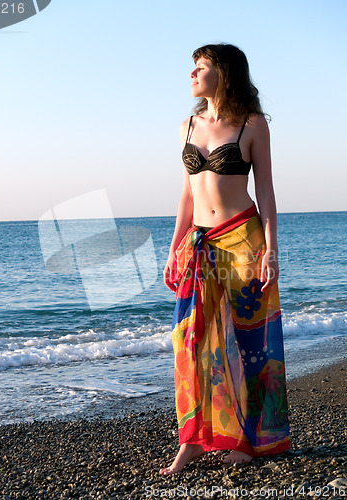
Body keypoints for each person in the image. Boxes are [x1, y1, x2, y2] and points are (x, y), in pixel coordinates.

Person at [160, 43, 290, 476]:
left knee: (250, 343)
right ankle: (194, 439)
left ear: (225, 73)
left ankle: (252, 440)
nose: (192, 74)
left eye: (201, 67)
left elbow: (267, 192)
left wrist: (271, 249)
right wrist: (175, 246)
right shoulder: (187, 125)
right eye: (192, 67)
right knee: (189, 340)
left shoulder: (252, 125)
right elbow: (185, 193)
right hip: (198, 243)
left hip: (242, 240)